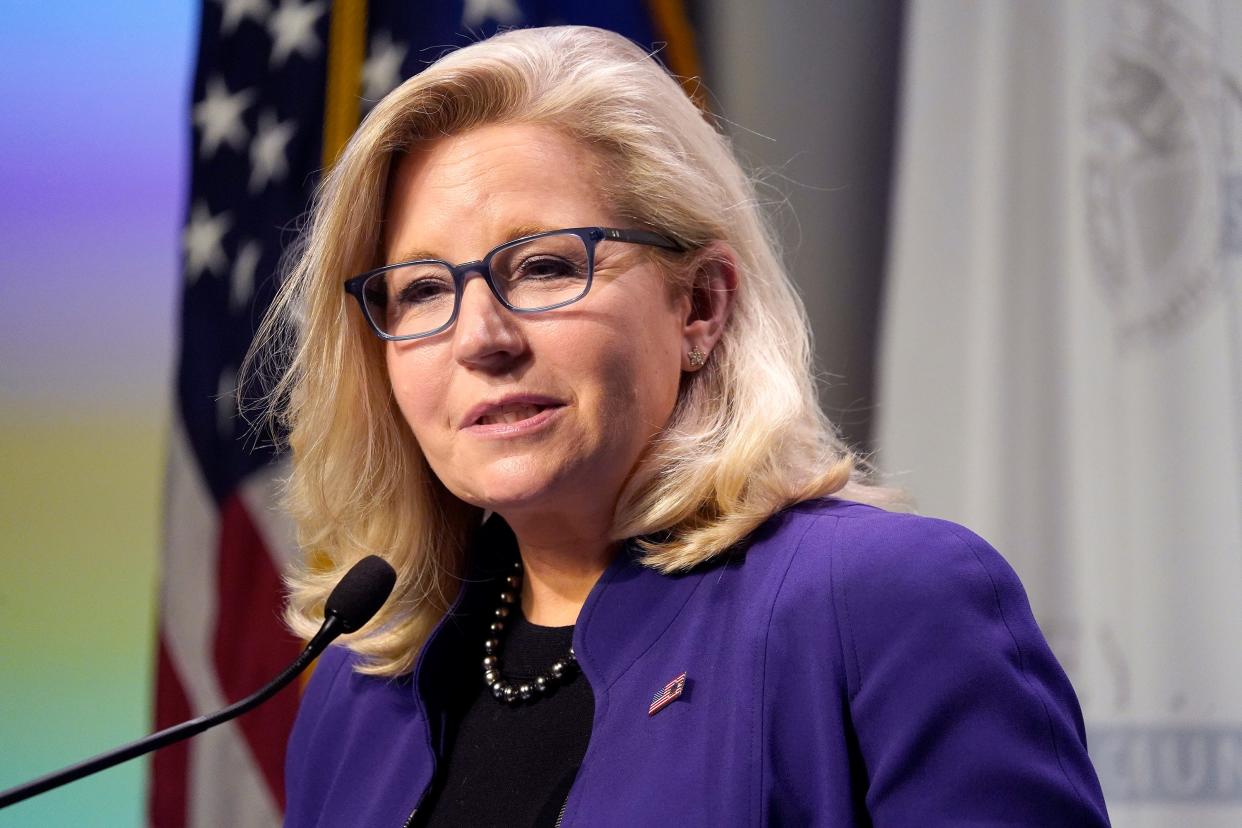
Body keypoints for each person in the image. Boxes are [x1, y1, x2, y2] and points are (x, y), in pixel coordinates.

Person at [263, 25, 1110, 826]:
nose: (481, 338)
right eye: (421, 290)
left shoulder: (886, 601)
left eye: (547, 266)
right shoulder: (360, 683)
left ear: (700, 305)